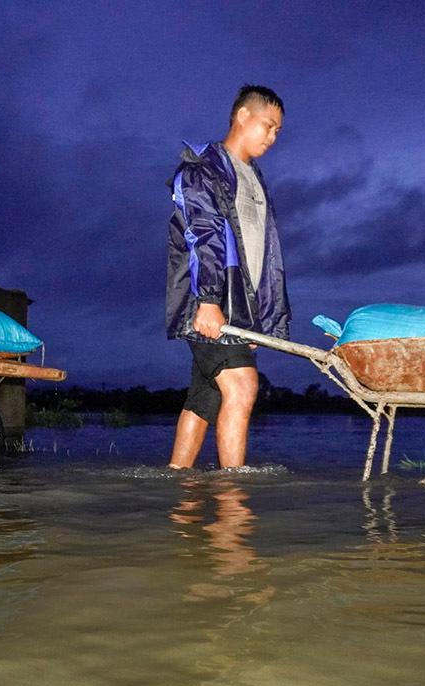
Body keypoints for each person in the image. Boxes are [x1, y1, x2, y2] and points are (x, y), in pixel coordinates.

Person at [165, 85, 291, 469]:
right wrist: (206, 301)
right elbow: (201, 232)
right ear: (242, 116)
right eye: (267, 126)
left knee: (205, 400)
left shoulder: (255, 180)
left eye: (277, 131)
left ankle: (177, 490)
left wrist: (257, 324)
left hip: (237, 309)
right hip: (208, 303)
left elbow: (263, 260)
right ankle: (232, 505)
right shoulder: (203, 170)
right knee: (242, 386)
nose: (272, 137)